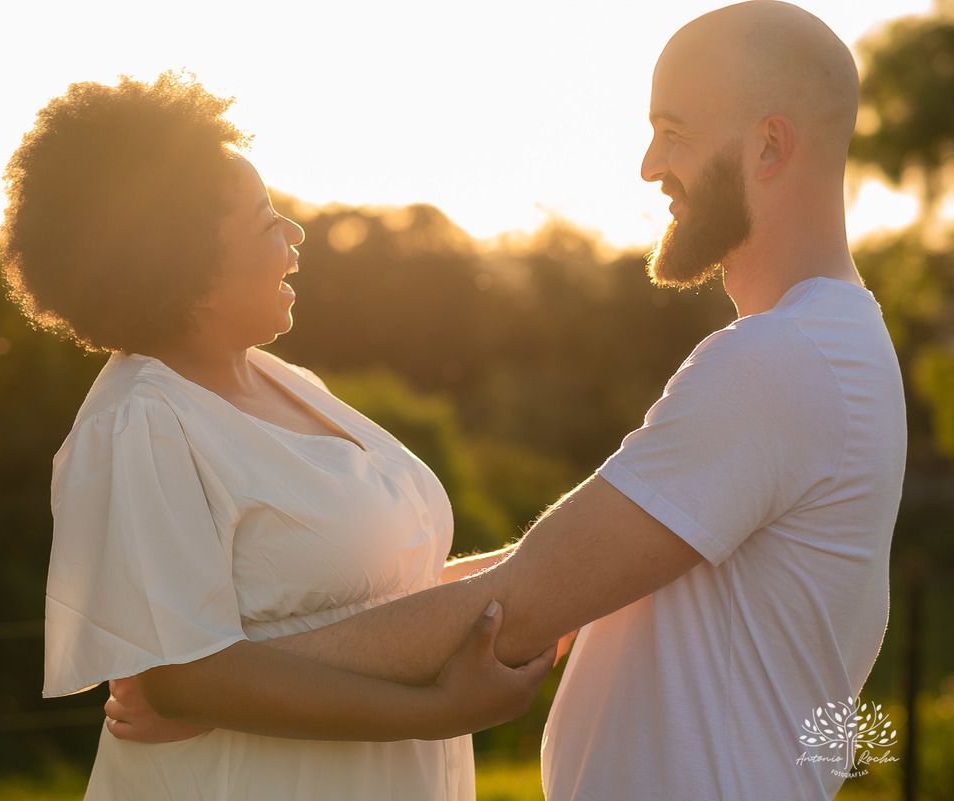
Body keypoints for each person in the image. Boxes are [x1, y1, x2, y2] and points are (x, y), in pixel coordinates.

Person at [108, 3, 907, 799]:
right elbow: (548, 571)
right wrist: (233, 662)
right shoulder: (826, 349)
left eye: (675, 132)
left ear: (769, 145)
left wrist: (215, 679)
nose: (649, 164)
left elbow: (520, 604)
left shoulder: (781, 360)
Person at [0, 73, 558, 800]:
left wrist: (557, 562)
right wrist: (437, 709)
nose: (294, 236)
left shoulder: (288, 382)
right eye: (267, 223)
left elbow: (380, 600)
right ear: (184, 267)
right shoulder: (138, 423)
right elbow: (184, 675)